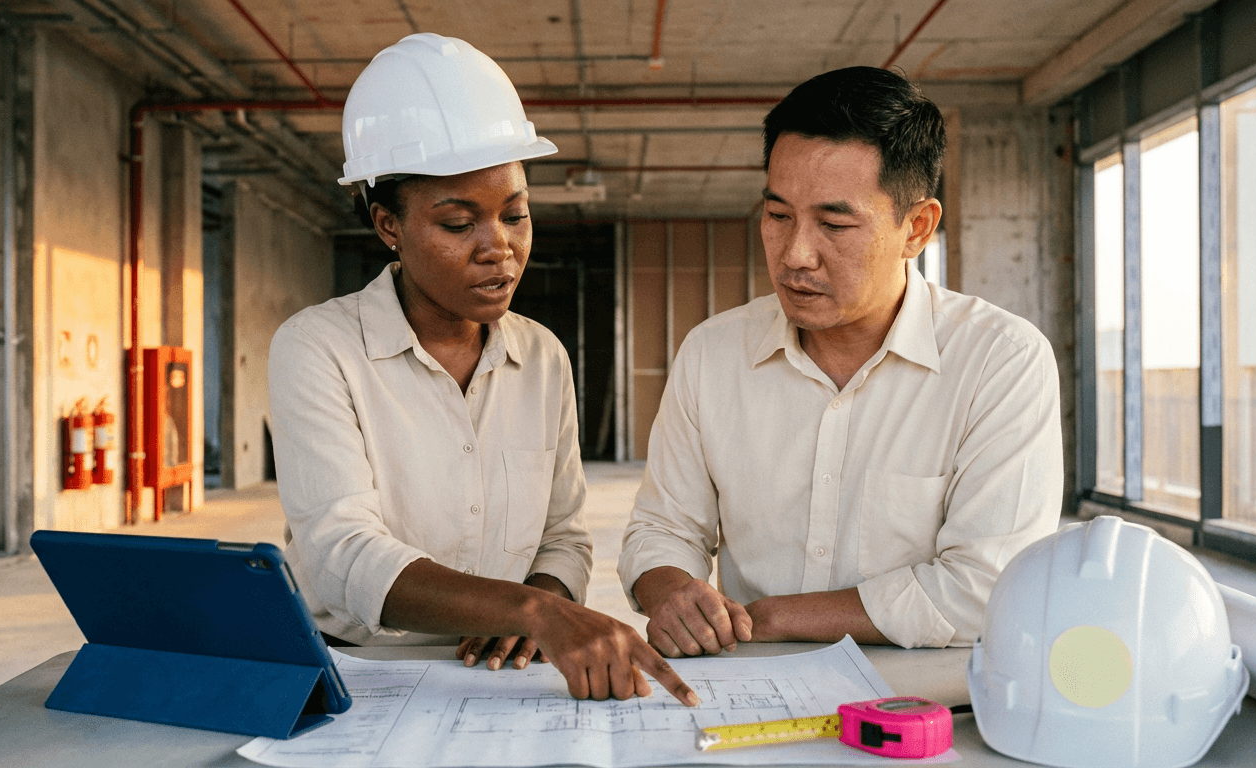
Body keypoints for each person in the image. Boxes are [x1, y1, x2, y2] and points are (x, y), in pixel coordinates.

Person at [269, 33, 696, 706]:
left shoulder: (542, 358)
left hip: (505, 673)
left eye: (515, 215)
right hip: (358, 673)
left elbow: (563, 535)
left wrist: (543, 601)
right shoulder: (319, 349)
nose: (499, 248)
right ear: (388, 226)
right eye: (459, 222)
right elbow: (340, 554)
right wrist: (532, 613)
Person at [618, 66, 1063, 655]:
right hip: (750, 690)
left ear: (918, 227)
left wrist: (772, 617)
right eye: (778, 216)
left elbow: (987, 587)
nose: (796, 255)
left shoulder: (999, 361)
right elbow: (662, 530)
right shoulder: (712, 354)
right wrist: (671, 590)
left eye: (834, 224)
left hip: (919, 702)